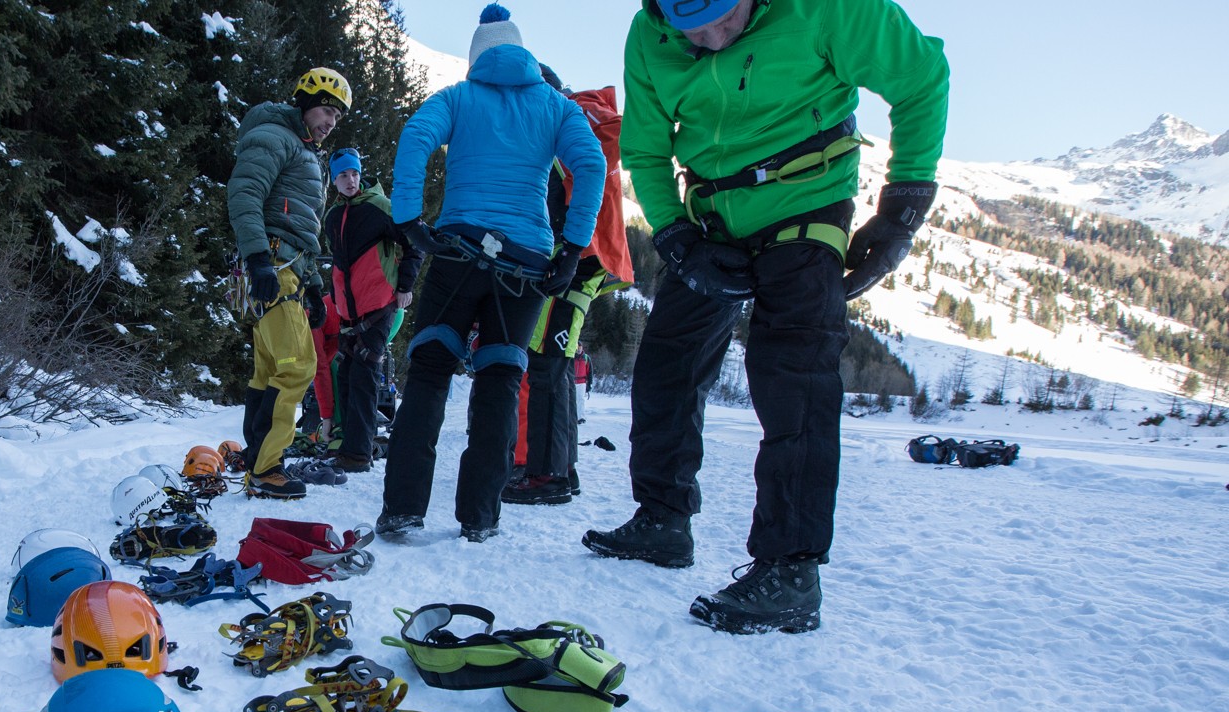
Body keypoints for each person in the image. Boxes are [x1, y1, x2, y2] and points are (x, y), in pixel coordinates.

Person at [584, 0, 948, 633]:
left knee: (792, 379)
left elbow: (922, 77)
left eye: (725, 20)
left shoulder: (826, 7)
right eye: (691, 29)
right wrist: (675, 237)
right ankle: (662, 519)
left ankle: (790, 569)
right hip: (711, 218)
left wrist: (902, 209)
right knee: (667, 364)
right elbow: (644, 148)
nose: (711, 39)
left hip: (806, 202)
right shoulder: (650, 31)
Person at [377, 3, 605, 543]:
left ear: (479, 56)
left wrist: (410, 219)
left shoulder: (458, 98)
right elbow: (590, 164)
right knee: (501, 380)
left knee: (430, 372)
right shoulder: (555, 106)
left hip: (457, 251)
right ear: (522, 51)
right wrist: (572, 248)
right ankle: (480, 517)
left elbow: (414, 137)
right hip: (525, 264)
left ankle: (403, 509)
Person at [504, 69, 635, 507]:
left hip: (578, 260)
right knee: (551, 362)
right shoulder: (567, 118)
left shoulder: (574, 114)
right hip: (576, 260)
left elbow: (612, 144)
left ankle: (545, 476)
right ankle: (561, 468)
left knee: (545, 362)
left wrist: (565, 249)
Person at [229, 67, 352, 499]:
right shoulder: (275, 137)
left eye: (336, 117)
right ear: (302, 102)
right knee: (298, 365)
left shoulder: (301, 150)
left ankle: (259, 462)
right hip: (273, 266)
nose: (329, 122)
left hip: (289, 267)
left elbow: (303, 229)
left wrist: (315, 285)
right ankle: (266, 469)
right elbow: (244, 195)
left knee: (269, 370)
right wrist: (258, 259)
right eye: (324, 110)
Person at [322, 147, 421, 474]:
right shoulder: (333, 216)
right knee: (348, 377)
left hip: (380, 307)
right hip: (349, 313)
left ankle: (358, 455)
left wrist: (405, 286)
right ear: (333, 179)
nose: (350, 180)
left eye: (354, 173)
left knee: (364, 375)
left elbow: (414, 243)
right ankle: (349, 447)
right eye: (343, 175)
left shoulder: (379, 207)